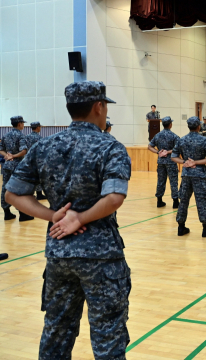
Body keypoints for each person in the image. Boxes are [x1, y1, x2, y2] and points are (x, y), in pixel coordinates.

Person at [6, 81, 132, 359]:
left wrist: (54, 216)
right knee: (108, 334)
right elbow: (113, 198)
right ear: (99, 107)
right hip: (101, 258)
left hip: (59, 252)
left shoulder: (45, 146)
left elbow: (13, 194)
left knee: (57, 330)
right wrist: (81, 218)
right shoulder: (110, 146)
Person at [171, 116, 206, 237]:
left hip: (186, 175)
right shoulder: (204, 140)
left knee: (183, 201)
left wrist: (184, 162)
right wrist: (196, 162)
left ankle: (181, 227)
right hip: (199, 175)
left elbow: (173, 156)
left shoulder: (182, 140)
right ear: (198, 126)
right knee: (202, 201)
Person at [0, 116, 31, 221]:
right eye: (23, 123)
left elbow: (1, 149)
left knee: (5, 187)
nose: (23, 125)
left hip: (7, 165)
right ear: (19, 124)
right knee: (19, 189)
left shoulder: (6, 135)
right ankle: (23, 214)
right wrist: (14, 156)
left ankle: (7, 213)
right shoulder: (21, 136)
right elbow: (24, 151)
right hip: (18, 166)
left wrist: (7, 156)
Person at [148, 116, 181, 209]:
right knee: (173, 181)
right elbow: (178, 147)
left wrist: (158, 152)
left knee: (160, 181)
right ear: (170, 124)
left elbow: (149, 146)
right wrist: (169, 151)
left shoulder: (157, 135)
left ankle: (159, 200)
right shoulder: (174, 136)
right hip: (171, 161)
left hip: (161, 162)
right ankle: (175, 202)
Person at [25, 121, 47, 200]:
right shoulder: (39, 138)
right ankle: (39, 194)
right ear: (37, 127)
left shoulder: (26, 137)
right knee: (38, 177)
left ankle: (28, 194)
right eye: (40, 127)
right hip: (37, 160)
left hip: (27, 160)